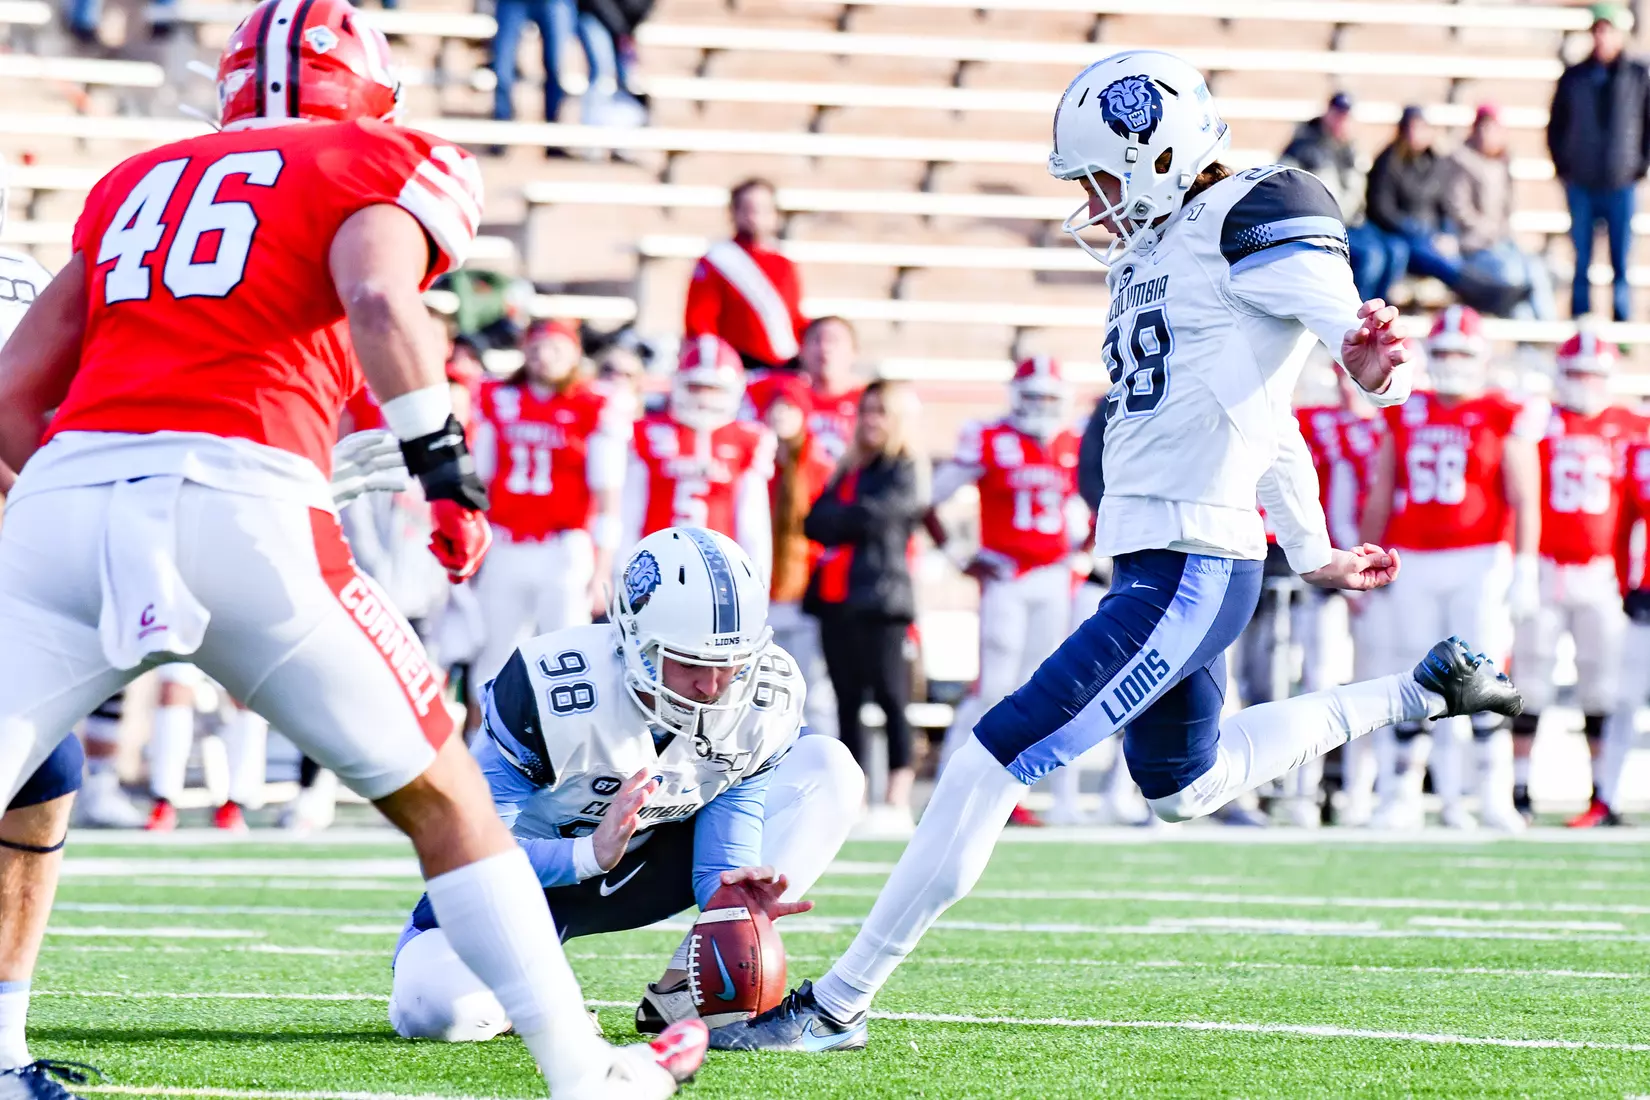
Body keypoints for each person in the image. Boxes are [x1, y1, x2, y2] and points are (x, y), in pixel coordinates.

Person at [706, 49, 1521, 1053]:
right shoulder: (1160, 246)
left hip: (1189, 564)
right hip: (1170, 561)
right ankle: (1423, 690)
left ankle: (839, 1000)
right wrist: (1308, 549)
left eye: (1100, 176)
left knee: (989, 758)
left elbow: (1358, 343)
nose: (1092, 200)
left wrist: (1374, 366)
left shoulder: (1255, 211)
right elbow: (1256, 412)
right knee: (1186, 785)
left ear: (1158, 150)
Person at [0, 2, 705, 1096]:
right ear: (370, 88)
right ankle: (585, 1071)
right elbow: (378, 293)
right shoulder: (381, 154)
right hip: (246, 503)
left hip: (65, 500)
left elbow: (11, 400)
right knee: (447, 800)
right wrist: (444, 468)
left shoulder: (139, 179)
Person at [388, 527, 864, 1041]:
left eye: (730, 664)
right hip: (520, 891)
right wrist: (587, 853)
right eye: (690, 663)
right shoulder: (549, 687)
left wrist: (735, 901)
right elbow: (465, 852)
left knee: (828, 767)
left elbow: (727, 831)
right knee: (435, 1008)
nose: (712, 686)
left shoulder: (762, 692)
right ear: (634, 640)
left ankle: (685, 988)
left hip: (653, 867)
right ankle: (524, 999)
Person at [1360, 306, 1543, 832]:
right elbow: (1383, 489)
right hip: (1411, 556)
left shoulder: (1500, 412)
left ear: (1482, 357)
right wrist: (1369, 553)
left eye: (1463, 352)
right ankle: (1403, 793)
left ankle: (1491, 795)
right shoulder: (1404, 410)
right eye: (1443, 351)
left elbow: (1523, 495)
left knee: (1480, 676)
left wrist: (1525, 563)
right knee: (1416, 673)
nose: (1452, 362)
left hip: (1480, 557)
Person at [927, 357, 1086, 826]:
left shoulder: (1072, 441)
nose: (1039, 407)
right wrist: (959, 556)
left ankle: (1035, 795)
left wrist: (1086, 549)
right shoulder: (990, 437)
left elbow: (1102, 501)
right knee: (994, 687)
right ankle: (950, 786)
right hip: (1007, 578)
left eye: (1048, 397)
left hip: (1055, 578)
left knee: (1053, 689)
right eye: (1032, 396)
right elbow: (931, 500)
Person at [1512, 333, 1647, 826]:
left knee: (1601, 684)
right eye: (1577, 372)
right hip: (1547, 565)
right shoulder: (1539, 421)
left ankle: (1600, 796)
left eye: (1594, 373)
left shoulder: (1632, 426)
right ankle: (1519, 792)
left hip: (1602, 572)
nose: (1585, 383)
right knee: (1530, 676)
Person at [470, 319, 626, 688]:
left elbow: (609, 497)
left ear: (574, 353)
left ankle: (559, 744)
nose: (544, 356)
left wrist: (603, 569)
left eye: (555, 347)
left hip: (563, 547)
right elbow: (481, 479)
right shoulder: (499, 397)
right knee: (495, 658)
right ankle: (483, 742)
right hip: (506, 541)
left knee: (568, 658)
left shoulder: (593, 404)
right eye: (536, 346)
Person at [803, 380, 928, 833]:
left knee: (894, 700)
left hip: (882, 600)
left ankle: (896, 799)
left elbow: (883, 515)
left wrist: (845, 517)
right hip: (836, 601)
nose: (871, 420)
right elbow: (813, 521)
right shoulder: (848, 468)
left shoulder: (904, 466)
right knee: (846, 703)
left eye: (881, 411)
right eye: (866, 410)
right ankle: (852, 799)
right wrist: (848, 517)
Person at [621, 335, 775, 576]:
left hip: (719, 572)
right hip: (654, 568)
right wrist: (622, 572)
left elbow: (753, 526)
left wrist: (755, 582)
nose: (704, 397)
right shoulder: (647, 433)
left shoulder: (749, 440)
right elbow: (629, 512)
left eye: (713, 389)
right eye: (695, 387)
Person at [1547, 3, 1650, 322]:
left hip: (1621, 182)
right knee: (1582, 259)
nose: (1602, 37)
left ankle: (1622, 324)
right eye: (1598, 30)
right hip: (1582, 183)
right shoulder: (1575, 77)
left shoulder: (1637, 75)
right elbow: (1556, 126)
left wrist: (1638, 166)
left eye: (1608, 30)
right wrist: (1564, 167)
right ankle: (1580, 323)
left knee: (1621, 261)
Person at [765, 374, 840, 740]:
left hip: (807, 592)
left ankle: (823, 760)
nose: (780, 415)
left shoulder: (820, 467)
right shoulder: (756, 462)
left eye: (789, 407)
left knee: (814, 691)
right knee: (764, 695)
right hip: (765, 592)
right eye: (775, 406)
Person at [1445, 105, 1557, 320]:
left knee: (1536, 270)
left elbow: (1507, 209)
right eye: (1485, 128)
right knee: (1513, 277)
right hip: (1473, 246)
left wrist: (1502, 233)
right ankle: (1534, 340)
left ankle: (1545, 335)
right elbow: (1459, 209)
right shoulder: (1462, 161)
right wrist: (1489, 231)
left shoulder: (1503, 163)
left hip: (1502, 242)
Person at [684, 180, 807, 373]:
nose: (755, 216)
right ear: (733, 212)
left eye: (764, 209)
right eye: (748, 208)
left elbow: (794, 317)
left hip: (783, 367)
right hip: (738, 367)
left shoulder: (784, 263)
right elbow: (700, 322)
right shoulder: (717, 260)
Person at [1604, 435, 1650, 825]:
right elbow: (1623, 526)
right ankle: (1608, 796)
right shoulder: (1639, 452)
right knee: (1625, 702)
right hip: (1647, 598)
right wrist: (1625, 584)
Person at [1280, 92, 1364, 224]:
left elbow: (1356, 188)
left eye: (1345, 117)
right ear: (1328, 113)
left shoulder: (1350, 150)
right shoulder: (1304, 143)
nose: (1340, 122)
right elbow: (1284, 179)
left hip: (1348, 221)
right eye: (1337, 115)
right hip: (1315, 219)